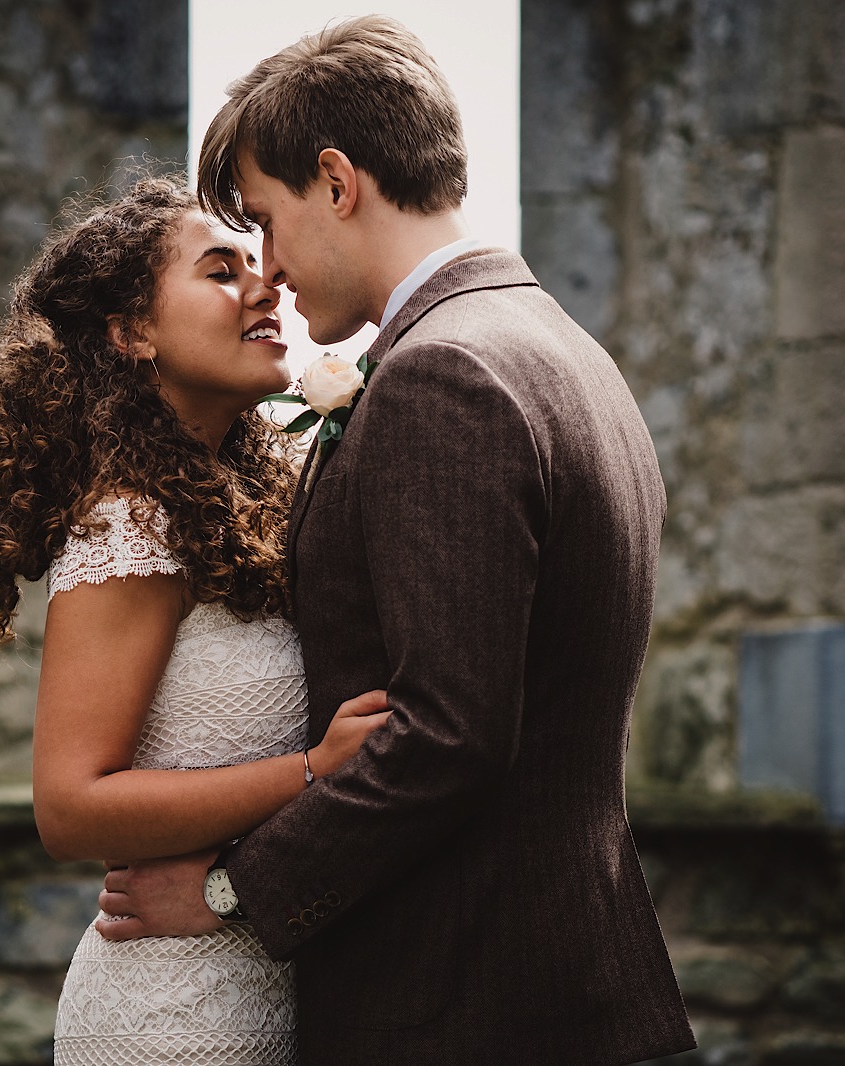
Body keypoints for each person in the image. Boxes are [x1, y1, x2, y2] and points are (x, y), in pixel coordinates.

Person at [93, 17, 697, 1065]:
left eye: (268, 223)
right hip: (571, 994)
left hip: (472, 1012)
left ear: (336, 180)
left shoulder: (442, 375)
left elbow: (445, 733)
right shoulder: (564, 348)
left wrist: (231, 890)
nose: (269, 269)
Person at [0, 177, 391, 1065]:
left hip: (283, 994)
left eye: (260, 263)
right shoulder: (130, 523)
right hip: (170, 1019)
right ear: (132, 334)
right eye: (221, 270)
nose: (265, 286)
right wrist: (311, 770)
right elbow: (70, 807)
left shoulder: (250, 504)